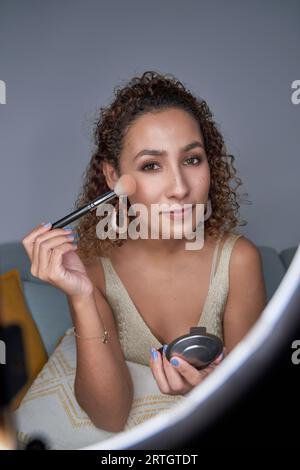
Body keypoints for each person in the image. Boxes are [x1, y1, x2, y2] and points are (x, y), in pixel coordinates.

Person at [22, 70, 267, 433]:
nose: (180, 188)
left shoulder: (238, 262)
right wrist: (82, 297)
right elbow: (109, 416)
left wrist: (212, 393)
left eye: (192, 159)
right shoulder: (94, 267)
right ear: (112, 178)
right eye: (151, 165)